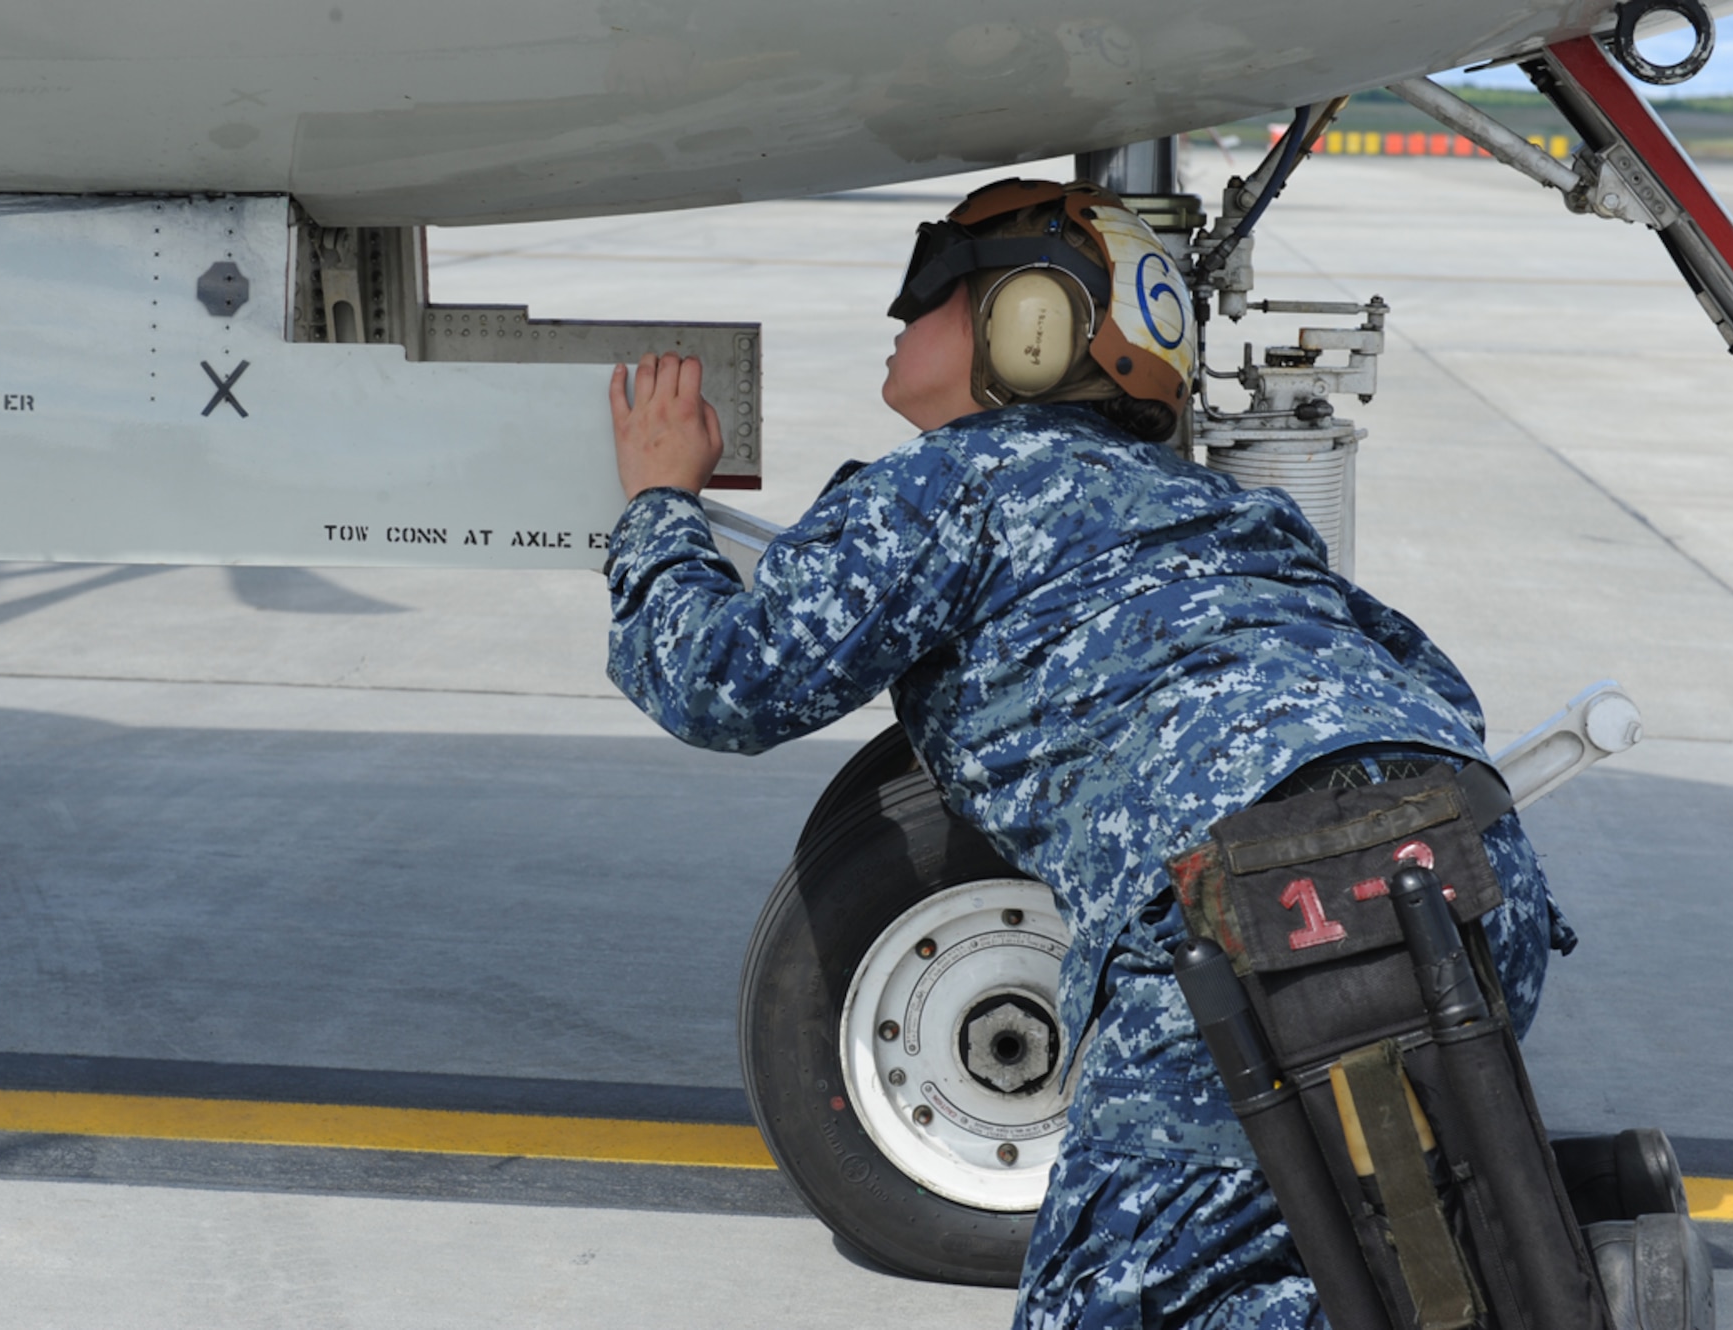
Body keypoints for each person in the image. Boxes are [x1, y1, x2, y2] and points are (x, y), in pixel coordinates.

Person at [600, 178, 1568, 1328]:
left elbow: (720, 681)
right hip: (1465, 870)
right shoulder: (1225, 512)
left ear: (1028, 323)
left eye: (929, 285)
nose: (899, 315)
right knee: (1365, 1252)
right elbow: (1425, 686)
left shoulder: (957, 477)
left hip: (1254, 905)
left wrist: (658, 501)